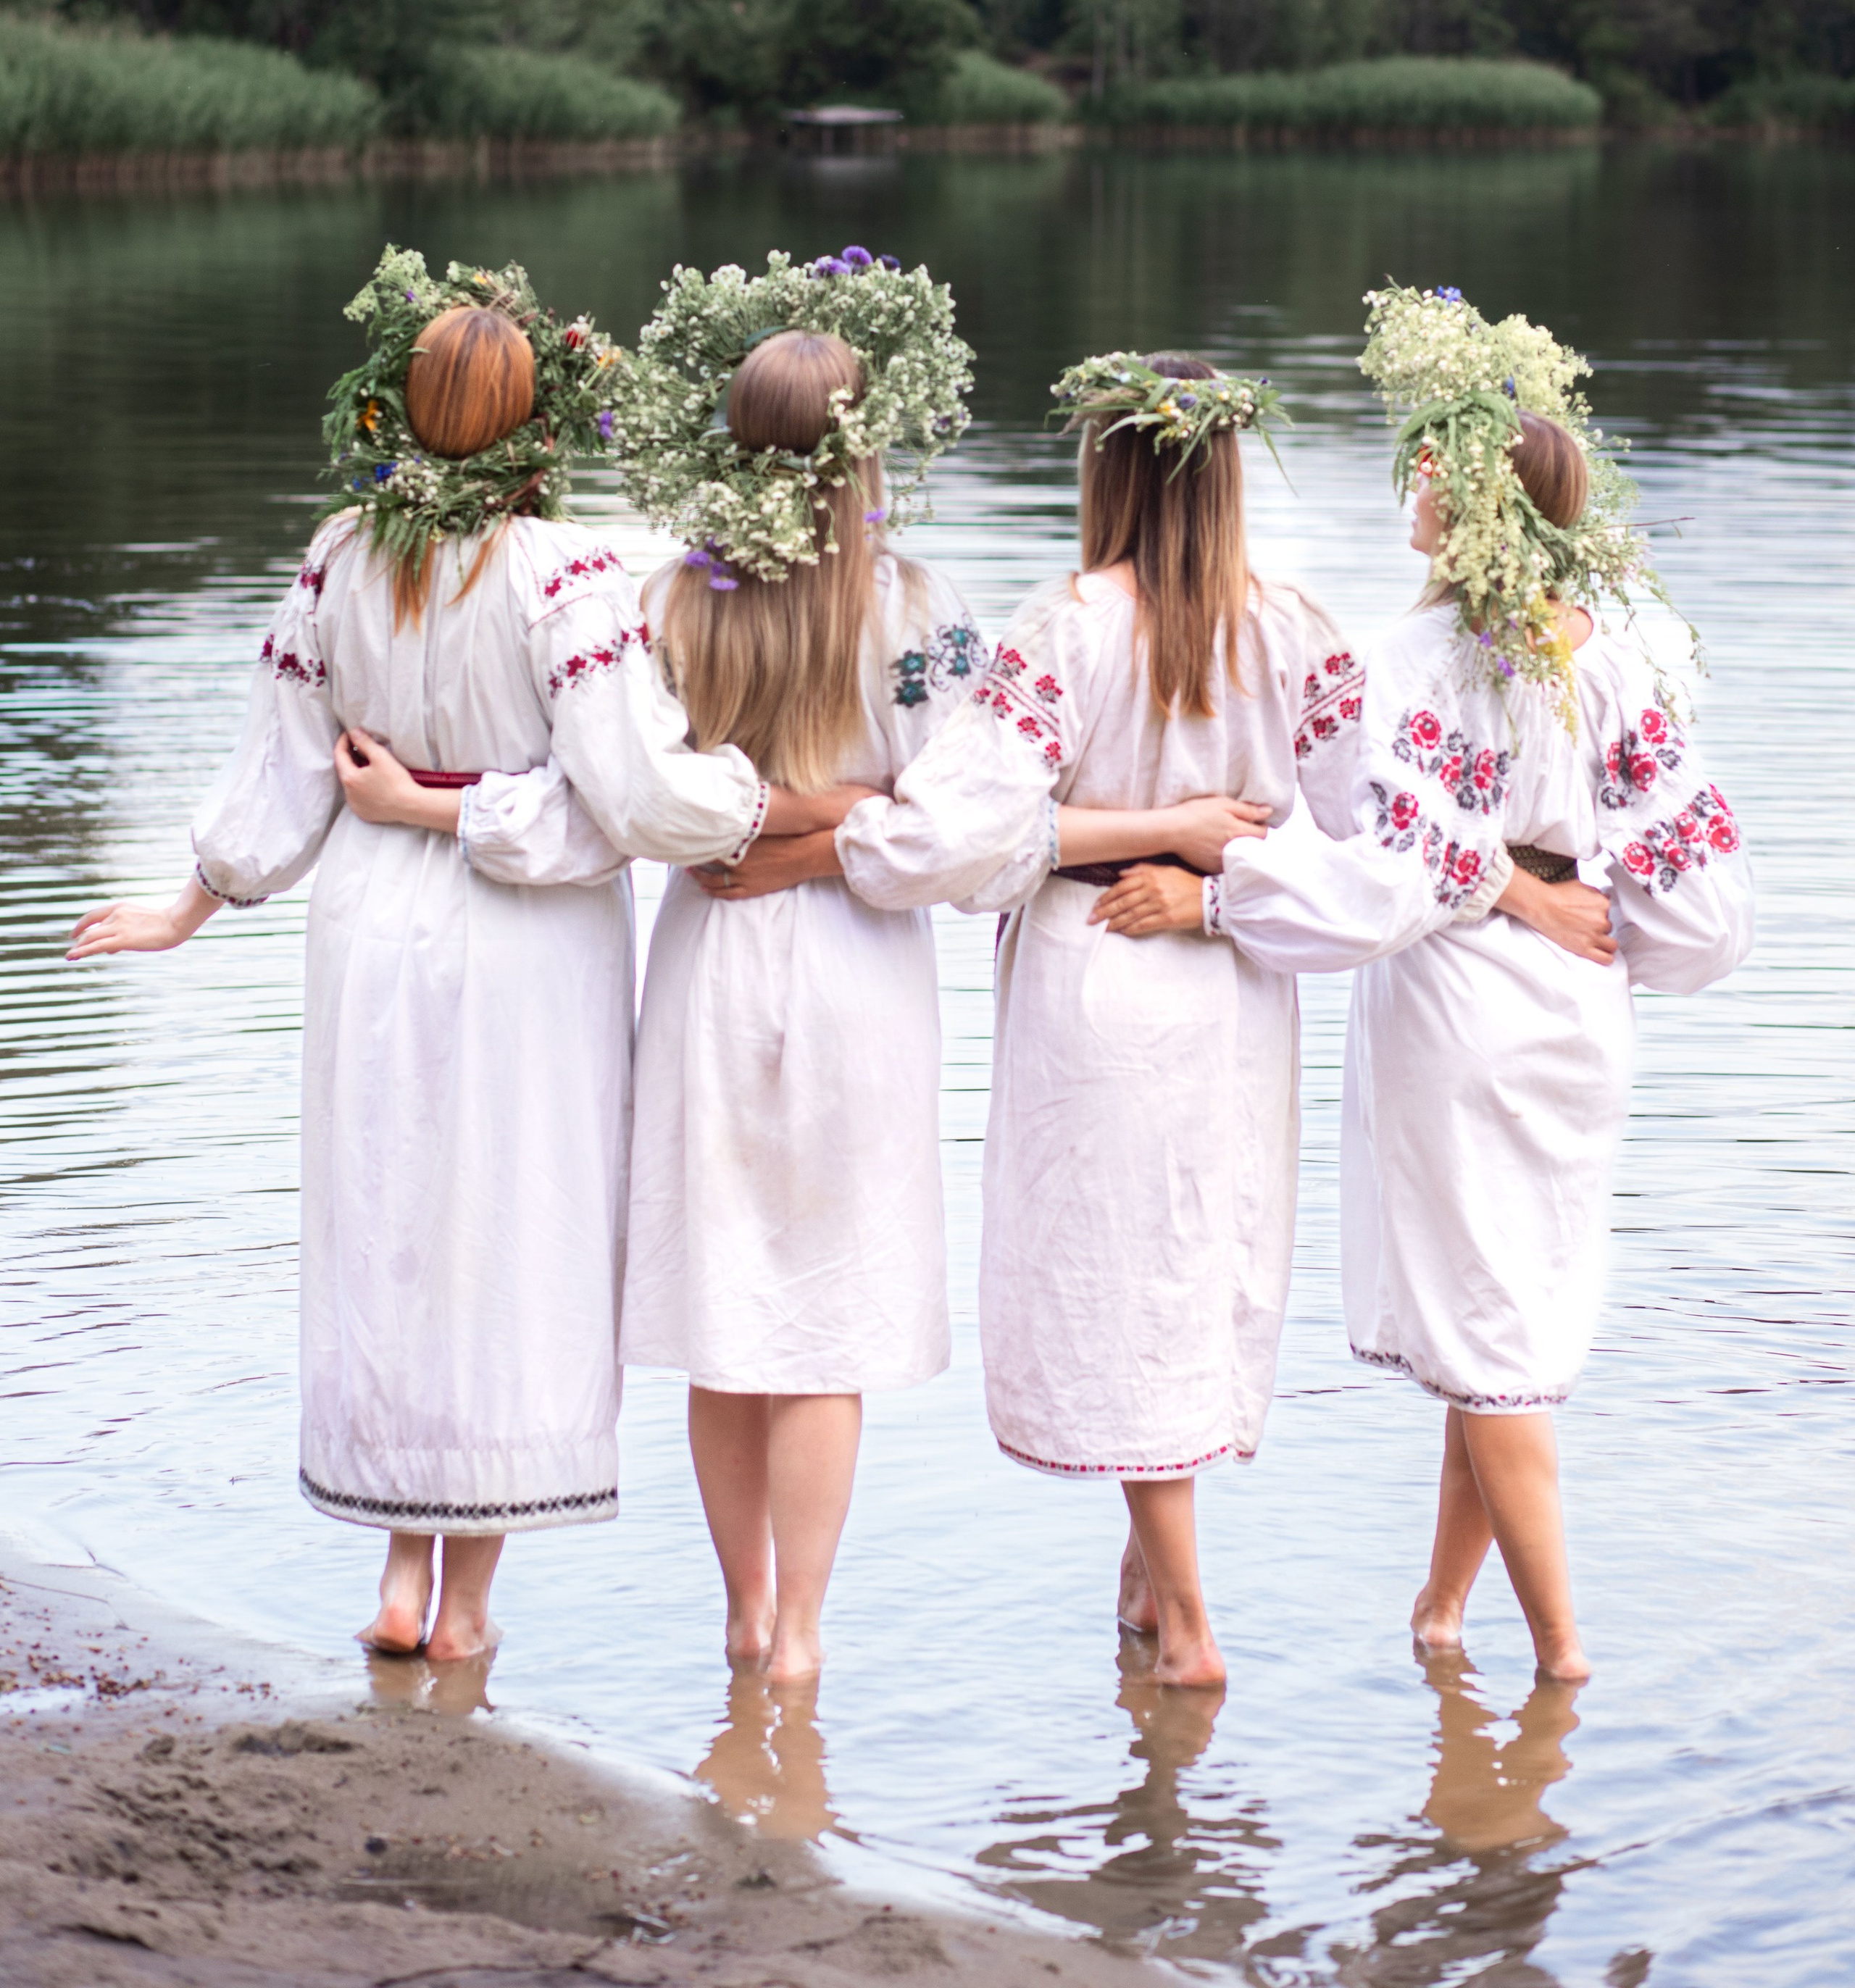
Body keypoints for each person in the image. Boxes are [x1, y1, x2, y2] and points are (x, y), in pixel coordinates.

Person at [67, 251, 846, 1663]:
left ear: (399, 409)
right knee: (511, 1231)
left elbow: (282, 776)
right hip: (519, 940)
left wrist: (190, 902)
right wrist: (750, 804)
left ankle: (392, 1572)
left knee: (391, 1219)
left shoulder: (340, 556)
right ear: (533, 424)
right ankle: (469, 1609)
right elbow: (626, 794)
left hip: (370, 917)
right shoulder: (565, 573)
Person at [347, 249, 1066, 1684]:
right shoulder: (920, 613)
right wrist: (850, 819)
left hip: (707, 968)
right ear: (865, 452)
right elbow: (986, 824)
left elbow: (604, 806)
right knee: (825, 1329)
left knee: (729, 1309)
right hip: (861, 979)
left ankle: (739, 1615)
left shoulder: (663, 605)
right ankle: (798, 1634)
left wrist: (433, 806)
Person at [1097, 288, 1754, 1682]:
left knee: (1488, 1328)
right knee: (1497, 1320)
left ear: (1482, 512)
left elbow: (1381, 875)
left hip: (1459, 1012)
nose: (1416, 491)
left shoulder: (1408, 667)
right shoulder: (1626, 662)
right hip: (1580, 1005)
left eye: (1437, 478)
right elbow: (1704, 906)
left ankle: (1565, 1654)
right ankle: (1441, 1614)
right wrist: (1588, 910)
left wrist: (1219, 898)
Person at [710, 350, 1375, 1688]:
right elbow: (1378, 848)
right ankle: (1150, 1588)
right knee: (1187, 1280)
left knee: (1121, 1291)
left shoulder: (1066, 627)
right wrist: (1223, 890)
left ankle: (1187, 1629)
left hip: (1094, 976)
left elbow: (956, 835)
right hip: (1231, 999)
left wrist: (804, 844)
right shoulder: (1301, 630)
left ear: (1107, 472)